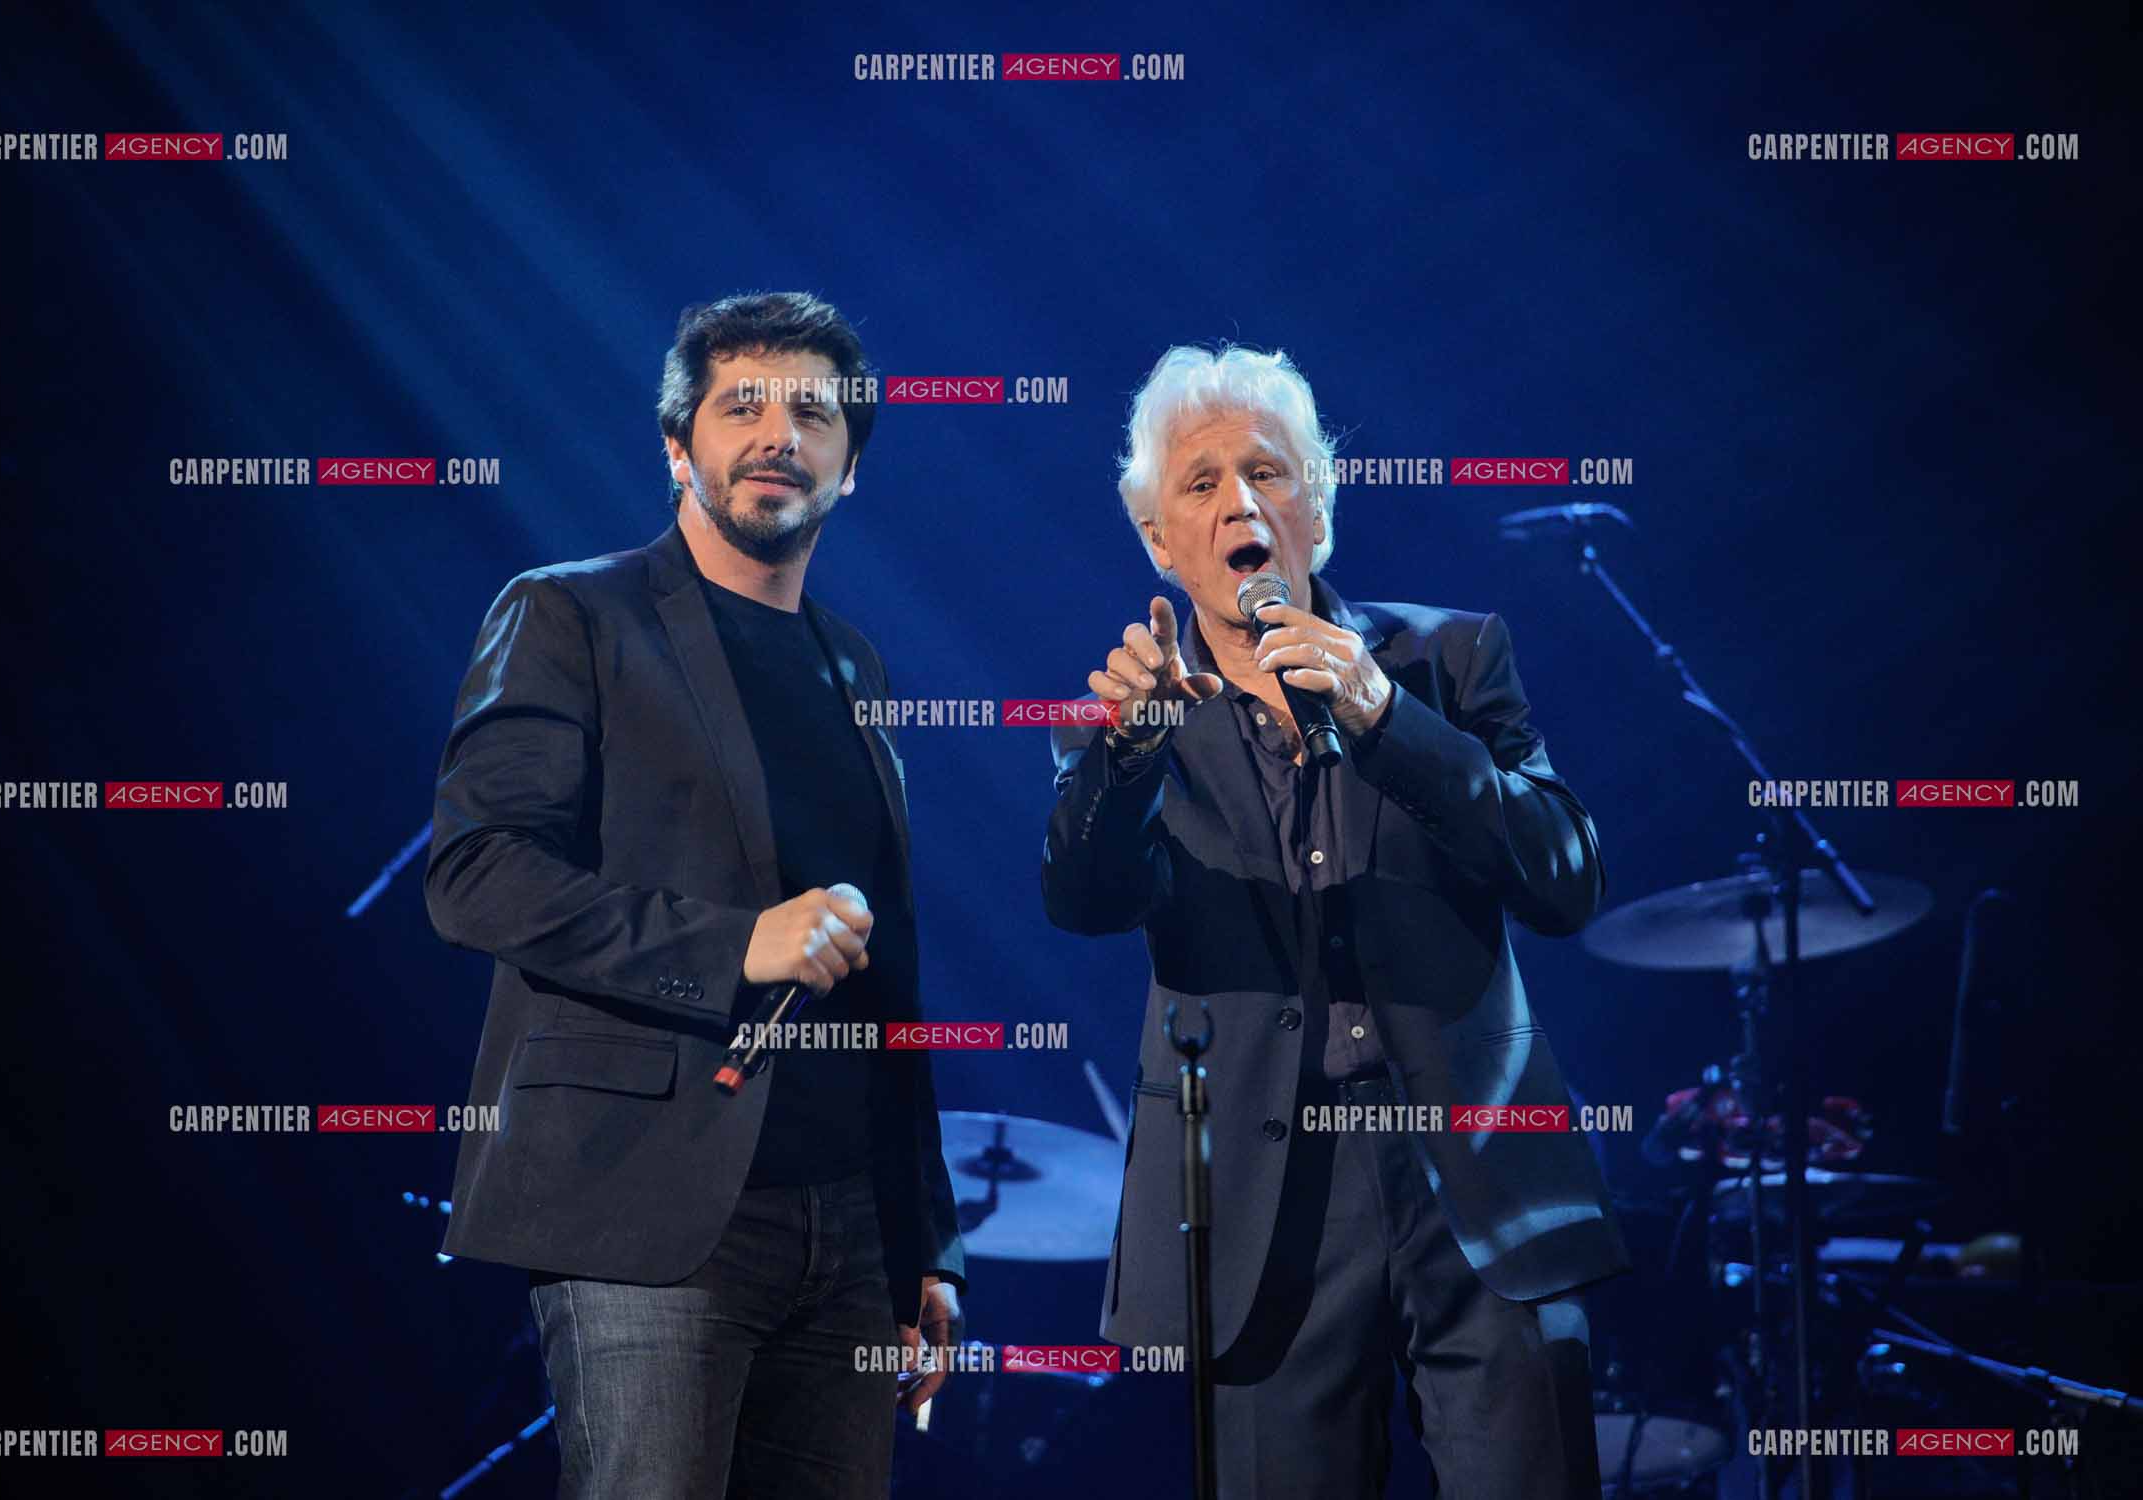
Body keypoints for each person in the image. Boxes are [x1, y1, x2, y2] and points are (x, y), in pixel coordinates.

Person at [1041, 343, 1627, 1499]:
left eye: (1268, 472)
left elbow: (1565, 881)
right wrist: (1126, 753)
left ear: (1317, 505)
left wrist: (1384, 715)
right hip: (1262, 1207)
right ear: (1158, 540)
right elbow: (1085, 900)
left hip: (1479, 1186)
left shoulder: (1446, 658)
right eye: (1199, 486)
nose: (1240, 504)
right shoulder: (1123, 718)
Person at [427, 291, 964, 1500]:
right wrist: (735, 947)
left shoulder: (854, 664)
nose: (779, 432)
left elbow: (890, 971)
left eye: (813, 412)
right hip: (642, 1210)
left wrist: (923, 1238)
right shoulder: (571, 612)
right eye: (743, 405)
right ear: (678, 448)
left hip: (848, 1226)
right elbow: (475, 875)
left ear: (850, 470)